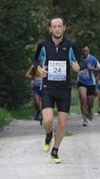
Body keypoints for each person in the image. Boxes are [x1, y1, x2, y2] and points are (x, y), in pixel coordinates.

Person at [33, 16, 81, 164]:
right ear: (50, 29)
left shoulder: (71, 45)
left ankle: (55, 150)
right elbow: (35, 62)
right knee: (47, 120)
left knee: (62, 123)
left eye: (60, 26)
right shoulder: (43, 45)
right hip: (48, 87)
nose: (57, 29)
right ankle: (48, 134)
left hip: (64, 89)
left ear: (64, 28)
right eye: (54, 26)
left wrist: (76, 67)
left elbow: (77, 65)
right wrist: (40, 69)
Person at [77, 45, 100, 126]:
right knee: (83, 98)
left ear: (88, 51)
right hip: (81, 82)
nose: (85, 52)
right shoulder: (78, 59)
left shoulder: (93, 59)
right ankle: (84, 120)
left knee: (90, 103)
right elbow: (73, 67)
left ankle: (89, 110)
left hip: (91, 82)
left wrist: (92, 68)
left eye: (86, 50)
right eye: (83, 51)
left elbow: (99, 68)